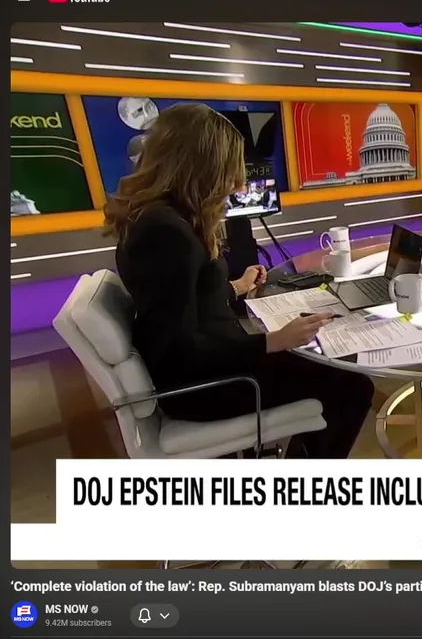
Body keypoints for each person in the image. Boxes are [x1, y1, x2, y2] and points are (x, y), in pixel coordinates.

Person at [106, 103, 374, 458]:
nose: (239, 185)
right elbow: (178, 351)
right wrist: (273, 341)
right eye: (229, 172)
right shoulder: (165, 233)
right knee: (353, 387)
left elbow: (180, 303)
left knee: (328, 363)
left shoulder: (156, 219)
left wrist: (236, 286)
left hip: (214, 365)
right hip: (206, 386)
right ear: (200, 168)